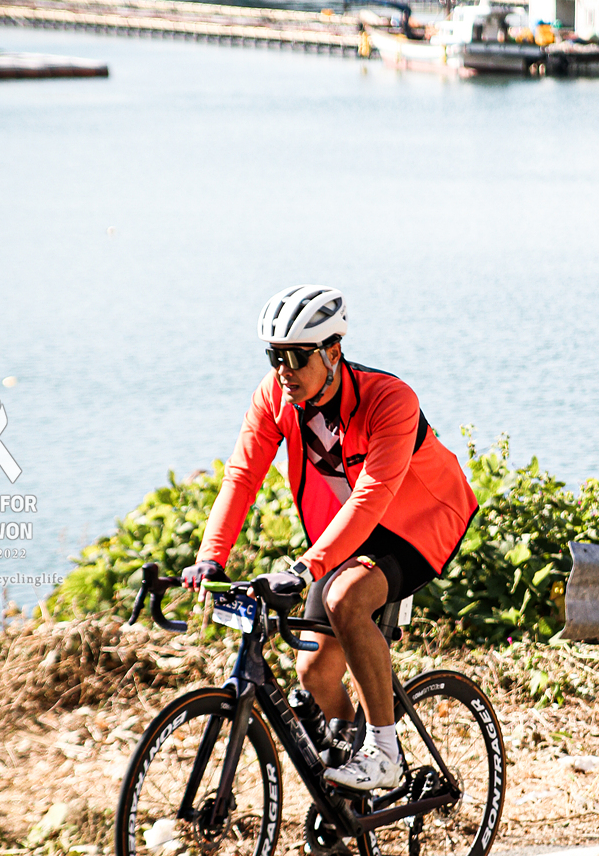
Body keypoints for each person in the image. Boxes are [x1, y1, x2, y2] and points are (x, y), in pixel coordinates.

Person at [179, 285, 477, 794]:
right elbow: (242, 477)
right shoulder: (274, 397)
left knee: (345, 598)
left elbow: (370, 500)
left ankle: (385, 753)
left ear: (332, 351)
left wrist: (304, 570)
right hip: (345, 533)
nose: (284, 370)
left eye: (297, 356)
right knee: (314, 672)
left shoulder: (390, 400)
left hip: (421, 521)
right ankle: (350, 755)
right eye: (275, 356)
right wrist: (211, 557)